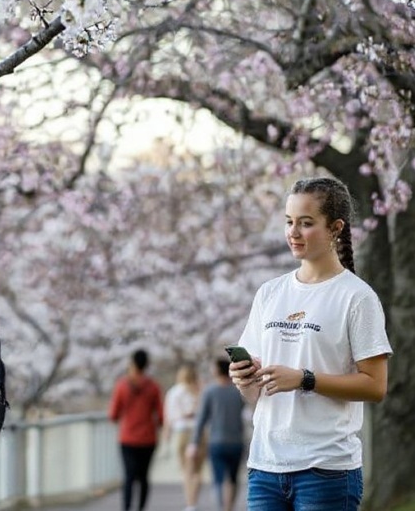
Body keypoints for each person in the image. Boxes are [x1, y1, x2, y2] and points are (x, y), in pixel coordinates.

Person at [228, 177, 392, 511]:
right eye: (289, 222)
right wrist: (244, 378)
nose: (293, 232)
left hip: (326, 470)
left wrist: (305, 379)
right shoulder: (270, 293)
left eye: (306, 223)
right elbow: (256, 392)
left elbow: (375, 386)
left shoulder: (357, 297)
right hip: (265, 467)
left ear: (335, 228)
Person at [109, 348, 164, 511]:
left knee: (129, 476)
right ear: (147, 365)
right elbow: (161, 415)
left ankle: (126, 508)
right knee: (144, 476)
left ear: (132, 363)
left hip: (127, 438)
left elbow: (113, 415)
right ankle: (141, 508)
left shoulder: (121, 386)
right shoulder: (153, 386)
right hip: (148, 438)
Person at [188, 359, 246, 511]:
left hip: (216, 442)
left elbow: (201, 419)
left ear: (216, 370)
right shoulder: (238, 391)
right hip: (236, 441)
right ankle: (229, 507)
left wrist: (194, 442)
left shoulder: (209, 391)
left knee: (219, 479)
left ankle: (221, 506)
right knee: (233, 478)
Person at [164, 362, 205, 511]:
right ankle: (194, 501)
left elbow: (169, 417)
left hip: (181, 432)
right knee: (197, 471)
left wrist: (167, 435)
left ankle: (190, 504)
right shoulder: (200, 391)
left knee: (186, 471)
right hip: (198, 432)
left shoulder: (173, 392)